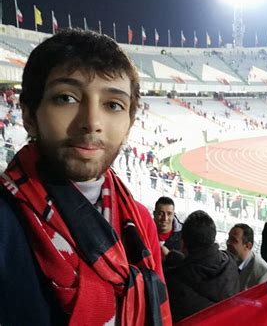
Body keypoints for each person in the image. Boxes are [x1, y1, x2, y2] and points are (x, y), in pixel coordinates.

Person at [0, 30, 171, 325]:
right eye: (66, 98)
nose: (92, 123)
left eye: (113, 105)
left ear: (130, 122)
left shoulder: (141, 223)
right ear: (29, 114)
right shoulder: (5, 222)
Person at [164, 210, 239, 322]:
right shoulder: (230, 263)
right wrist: (173, 257)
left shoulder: (173, 282)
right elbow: (202, 262)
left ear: (183, 243)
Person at [226, 223, 267, 291]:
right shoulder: (225, 260)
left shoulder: (264, 274)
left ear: (248, 246)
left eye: (234, 240)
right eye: (229, 238)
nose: (228, 242)